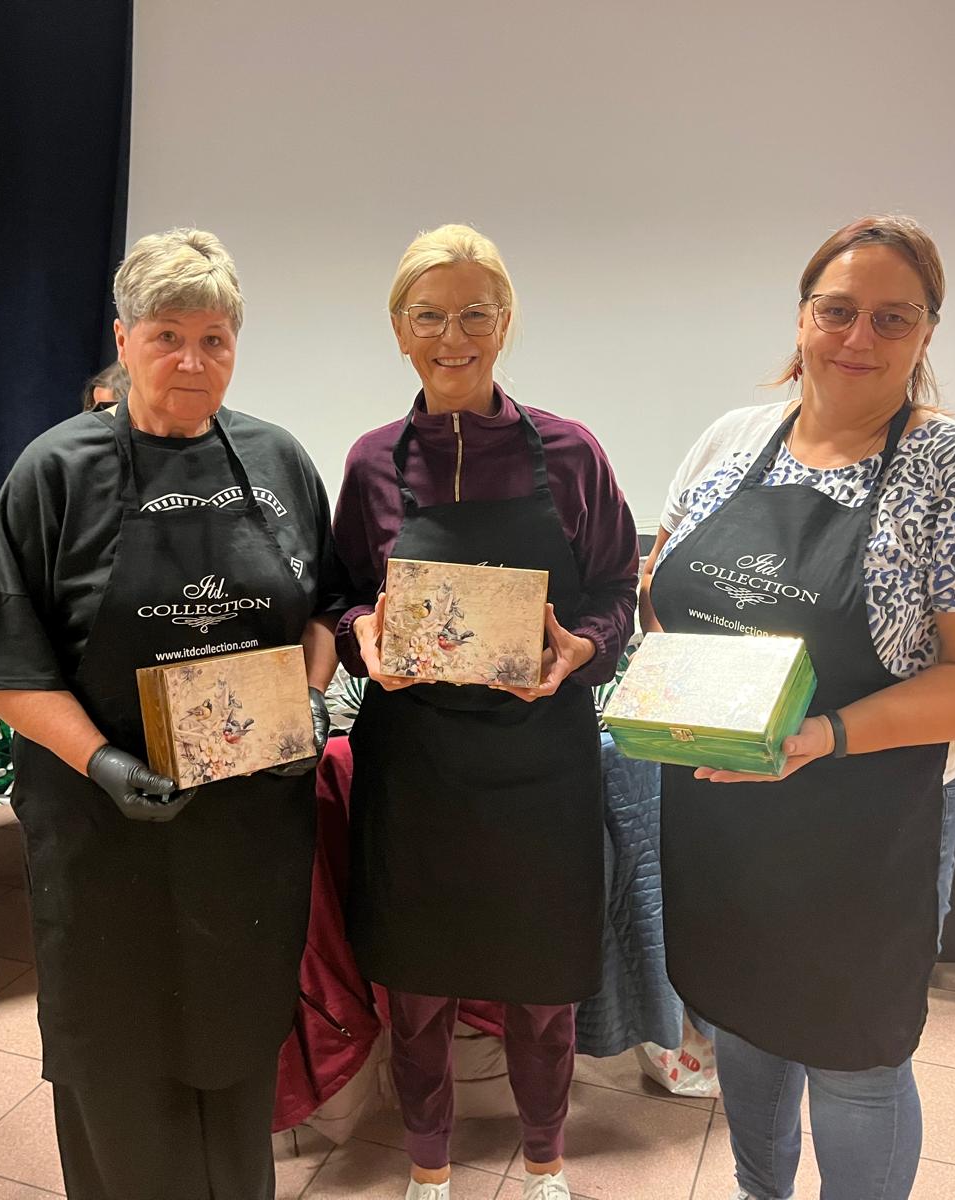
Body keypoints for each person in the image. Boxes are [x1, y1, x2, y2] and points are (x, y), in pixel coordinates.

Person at [638, 215, 955, 1200]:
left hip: (870, 814)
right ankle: (758, 1190)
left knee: (853, 1052)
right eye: (836, 311)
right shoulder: (732, 442)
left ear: (926, 332)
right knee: (743, 1019)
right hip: (722, 799)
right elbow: (662, 588)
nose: (858, 337)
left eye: (891, 318)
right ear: (801, 317)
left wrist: (825, 733)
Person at [0, 228, 339, 1200]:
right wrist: (102, 762)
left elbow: (323, 612)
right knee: (118, 1071)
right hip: (103, 840)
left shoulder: (277, 460)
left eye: (214, 339)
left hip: (246, 839)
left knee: (237, 1056)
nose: (192, 361)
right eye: (168, 337)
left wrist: (305, 701)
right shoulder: (54, 472)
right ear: (123, 341)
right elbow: (1, 661)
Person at [333, 224, 639, 1200]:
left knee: (542, 990)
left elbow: (616, 593)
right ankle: (429, 1169)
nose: (452, 337)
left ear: (506, 323)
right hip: (414, 768)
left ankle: (545, 1162)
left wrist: (579, 649)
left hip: (540, 763)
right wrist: (363, 635)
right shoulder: (371, 463)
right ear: (398, 329)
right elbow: (343, 595)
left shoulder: (572, 454)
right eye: (428, 316)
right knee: (416, 989)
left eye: (475, 313)